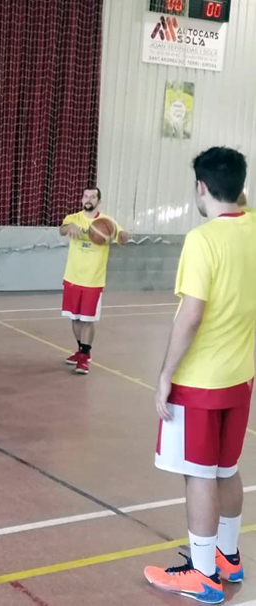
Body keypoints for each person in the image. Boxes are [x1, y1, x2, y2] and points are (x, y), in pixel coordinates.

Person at [145, 147, 254, 604]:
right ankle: (227, 556)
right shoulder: (252, 229)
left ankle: (204, 575)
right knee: (226, 469)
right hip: (239, 378)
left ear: (201, 188)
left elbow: (190, 315)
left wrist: (166, 373)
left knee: (199, 476)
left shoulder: (203, 240)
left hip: (201, 381)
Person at [58, 187, 128, 374]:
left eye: (93, 196)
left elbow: (122, 237)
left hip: (93, 280)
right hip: (72, 277)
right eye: (86, 196)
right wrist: (69, 228)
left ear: (99, 200)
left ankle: (84, 357)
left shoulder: (107, 223)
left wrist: (122, 236)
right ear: (82, 199)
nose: (89, 199)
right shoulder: (73, 218)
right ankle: (82, 350)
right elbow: (62, 230)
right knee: (75, 318)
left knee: (87, 320)